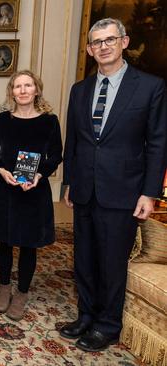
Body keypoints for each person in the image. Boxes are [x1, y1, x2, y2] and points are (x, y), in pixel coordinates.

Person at [61, 18, 167, 352]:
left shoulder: (150, 87)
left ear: (124, 41)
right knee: (85, 257)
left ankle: (107, 325)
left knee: (111, 260)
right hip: (84, 189)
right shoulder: (80, 90)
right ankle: (86, 315)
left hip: (123, 191)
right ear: (90, 50)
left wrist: (150, 192)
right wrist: (68, 181)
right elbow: (74, 143)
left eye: (110, 40)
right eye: (96, 42)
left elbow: (158, 142)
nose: (103, 46)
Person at [0, 70, 63, 321]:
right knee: (4, 241)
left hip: (33, 191)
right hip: (5, 188)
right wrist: (3, 171)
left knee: (28, 244)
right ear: (12, 91)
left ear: (36, 89)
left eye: (28, 85)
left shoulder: (49, 121)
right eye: (18, 86)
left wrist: (39, 175)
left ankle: (22, 293)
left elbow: (56, 155)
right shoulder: (2, 120)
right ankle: (4, 288)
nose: (23, 90)